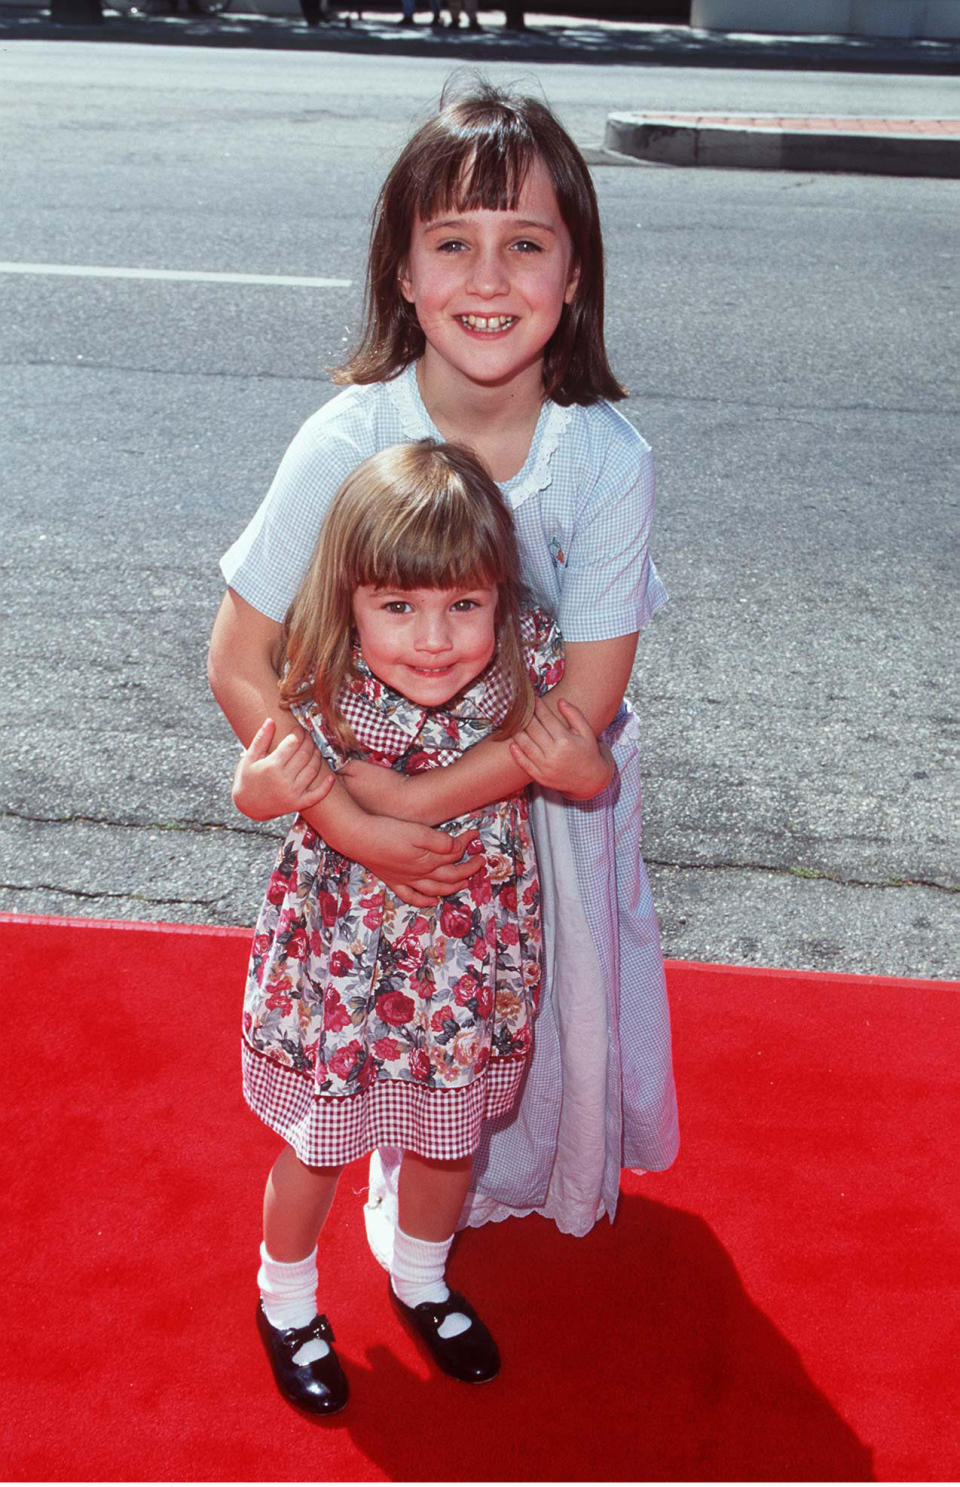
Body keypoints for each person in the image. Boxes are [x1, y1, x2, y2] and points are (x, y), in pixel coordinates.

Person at [208, 71, 679, 1353]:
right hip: (350, 823)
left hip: (514, 841)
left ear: (573, 276)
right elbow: (241, 657)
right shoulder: (352, 433)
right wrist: (354, 823)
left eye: (525, 242)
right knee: (342, 1096)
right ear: (402, 271)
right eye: (452, 242)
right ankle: (292, 1288)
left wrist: (410, 806)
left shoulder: (605, 462)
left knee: (483, 1085)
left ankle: (430, 1257)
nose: (489, 275)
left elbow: (578, 710)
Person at [234, 438, 610, 1413]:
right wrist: (266, 785)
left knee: (450, 1143)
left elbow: (588, 768)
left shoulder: (525, 667)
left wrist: (587, 774)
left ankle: (421, 1276)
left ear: (501, 595)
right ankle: (286, 1299)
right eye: (399, 605)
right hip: (346, 973)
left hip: (466, 973)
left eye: (464, 604)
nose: (434, 638)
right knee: (320, 1143)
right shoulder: (324, 684)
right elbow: (258, 791)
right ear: (351, 598)